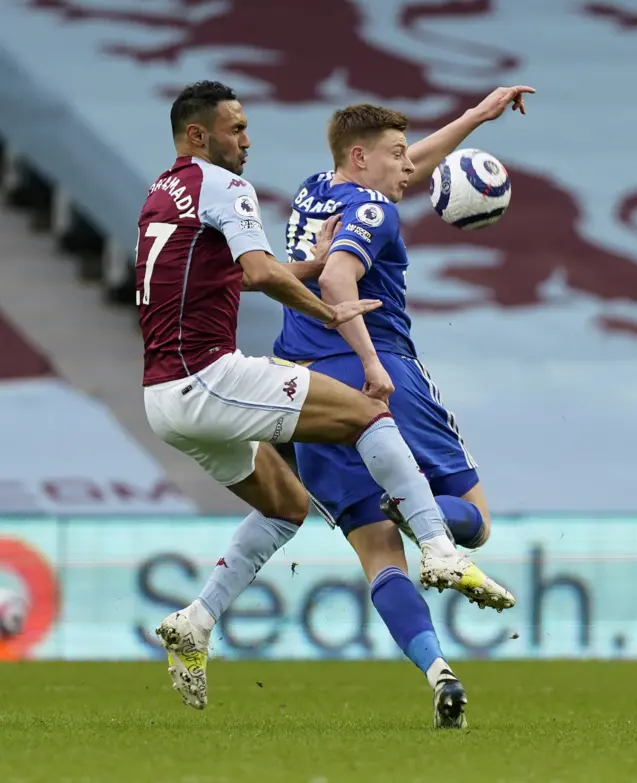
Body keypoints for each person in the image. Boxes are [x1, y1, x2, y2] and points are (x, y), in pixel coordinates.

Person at [136, 80, 513, 715]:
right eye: (237, 129)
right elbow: (281, 274)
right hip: (221, 373)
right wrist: (347, 329)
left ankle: (197, 619)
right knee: (377, 422)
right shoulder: (237, 189)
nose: (248, 141)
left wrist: (475, 114)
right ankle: (439, 547)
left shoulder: (172, 194)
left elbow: (254, 273)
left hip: (163, 398)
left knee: (288, 507)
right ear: (199, 135)